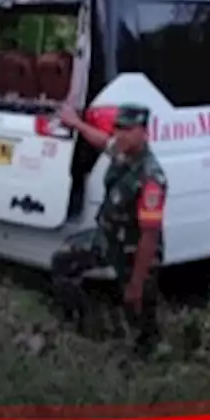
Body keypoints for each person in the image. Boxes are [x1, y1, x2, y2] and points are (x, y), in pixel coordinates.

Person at [52, 102, 166, 355]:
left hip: (135, 253)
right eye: (118, 128)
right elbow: (103, 142)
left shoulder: (151, 179)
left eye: (128, 129)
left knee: (138, 311)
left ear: (143, 132)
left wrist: (136, 282)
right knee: (63, 264)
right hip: (107, 240)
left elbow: (149, 236)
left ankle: (147, 359)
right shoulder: (122, 151)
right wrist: (76, 123)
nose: (120, 135)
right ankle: (85, 327)